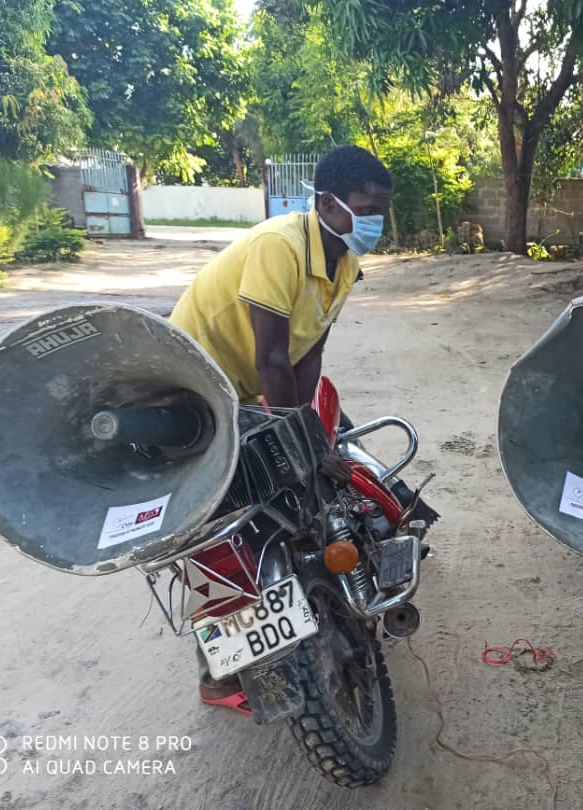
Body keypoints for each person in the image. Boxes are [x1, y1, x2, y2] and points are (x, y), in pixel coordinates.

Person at [169, 144, 393, 713]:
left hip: (244, 389)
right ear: (328, 203)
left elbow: (307, 352)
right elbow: (271, 358)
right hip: (193, 389)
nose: (375, 221)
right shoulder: (280, 246)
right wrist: (300, 446)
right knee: (228, 527)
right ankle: (217, 677)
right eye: (366, 208)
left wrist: (308, 432)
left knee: (309, 467)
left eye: (381, 210)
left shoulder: (345, 261)